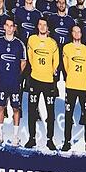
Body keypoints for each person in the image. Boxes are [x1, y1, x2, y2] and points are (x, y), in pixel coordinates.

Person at [0, 17, 27, 146]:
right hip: (2, 81)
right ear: (4, 27)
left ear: (14, 28)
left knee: (16, 108)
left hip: (14, 82)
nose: (9, 28)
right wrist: (1, 71)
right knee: (1, 106)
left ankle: (16, 136)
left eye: (12, 25)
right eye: (7, 25)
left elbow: (23, 62)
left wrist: (16, 75)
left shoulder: (19, 44)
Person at [26, 18, 59, 150]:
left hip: (48, 81)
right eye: (40, 24)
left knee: (50, 112)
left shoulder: (52, 43)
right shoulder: (32, 39)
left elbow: (56, 61)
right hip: (34, 79)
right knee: (32, 110)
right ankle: (31, 138)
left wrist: (50, 72)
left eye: (45, 25)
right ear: (37, 26)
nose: (42, 27)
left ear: (47, 27)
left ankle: (50, 139)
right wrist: (36, 69)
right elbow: (30, 56)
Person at [62, 25, 86, 153]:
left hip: (83, 86)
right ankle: (67, 142)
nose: (76, 33)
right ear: (71, 33)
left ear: (81, 34)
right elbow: (66, 67)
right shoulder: (67, 48)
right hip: (71, 86)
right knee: (68, 115)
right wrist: (72, 77)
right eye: (74, 31)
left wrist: (81, 79)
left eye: (78, 31)